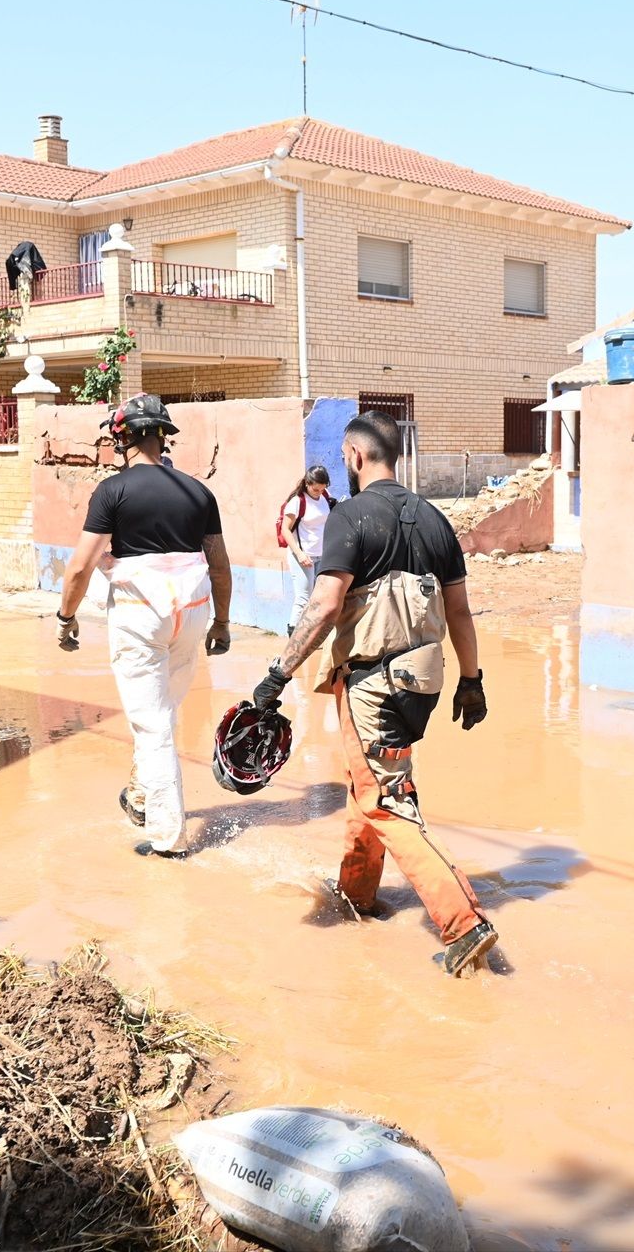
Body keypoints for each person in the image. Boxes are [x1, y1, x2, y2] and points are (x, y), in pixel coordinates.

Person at [251, 411, 498, 977]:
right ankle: (357, 895)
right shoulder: (436, 521)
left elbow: (324, 606)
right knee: (369, 787)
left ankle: (464, 923)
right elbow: (458, 611)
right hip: (424, 683)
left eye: (344, 458)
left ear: (355, 456)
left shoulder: (349, 518)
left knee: (387, 802)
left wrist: (277, 675)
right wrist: (473, 680)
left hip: (372, 686)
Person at [55, 393, 232, 856]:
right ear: (161, 435)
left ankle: (167, 837)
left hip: (141, 615)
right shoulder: (199, 492)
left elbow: (79, 568)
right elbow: (220, 565)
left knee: (152, 726)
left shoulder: (113, 492)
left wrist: (66, 617)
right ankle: (140, 791)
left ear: (124, 437)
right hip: (192, 613)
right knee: (162, 714)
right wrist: (224, 624)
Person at [278, 465, 335, 634]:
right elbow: (285, 529)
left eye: (322, 488)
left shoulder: (325, 496)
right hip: (303, 556)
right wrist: (300, 554)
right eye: (315, 489)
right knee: (303, 598)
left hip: (322, 554)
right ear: (307, 483)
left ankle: (311, 635)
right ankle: (293, 637)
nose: (318, 492)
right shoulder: (297, 502)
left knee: (318, 598)